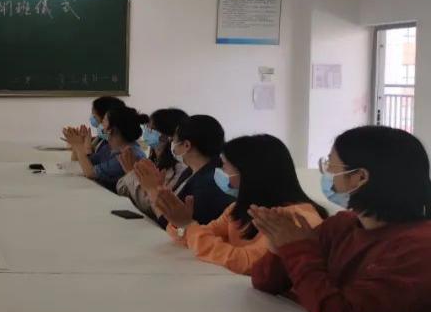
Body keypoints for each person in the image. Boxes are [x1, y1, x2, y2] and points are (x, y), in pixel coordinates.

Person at [251, 126, 431, 312]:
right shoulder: (342, 225)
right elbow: (265, 283)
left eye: (331, 167)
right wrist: (278, 245)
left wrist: (296, 248)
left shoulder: (419, 247)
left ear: (360, 178)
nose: (327, 175)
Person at [157, 134, 326, 275]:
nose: (220, 172)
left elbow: (247, 263)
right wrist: (182, 225)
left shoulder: (298, 218)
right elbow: (197, 237)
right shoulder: (239, 208)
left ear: (248, 173)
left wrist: (189, 226)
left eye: (224, 166)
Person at [133, 114, 231, 227]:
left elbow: (173, 225)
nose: (171, 144)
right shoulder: (191, 171)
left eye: (174, 140)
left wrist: (152, 190)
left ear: (186, 145)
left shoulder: (207, 183)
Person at [116, 108, 188, 218]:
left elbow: (151, 207)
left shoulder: (179, 169)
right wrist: (132, 175)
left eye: (151, 129)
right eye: (147, 127)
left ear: (167, 136)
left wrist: (131, 173)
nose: (146, 132)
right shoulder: (152, 160)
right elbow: (121, 189)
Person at [65, 105, 148, 192]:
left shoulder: (130, 153)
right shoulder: (108, 148)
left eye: (104, 120)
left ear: (111, 129)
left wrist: (78, 145)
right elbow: (83, 163)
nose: (101, 123)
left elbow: (90, 173)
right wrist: (78, 143)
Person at [62, 96, 126, 166]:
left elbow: (88, 167)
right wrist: (78, 144)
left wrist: (79, 146)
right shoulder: (100, 138)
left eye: (95, 116)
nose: (92, 118)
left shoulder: (110, 147)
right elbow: (76, 162)